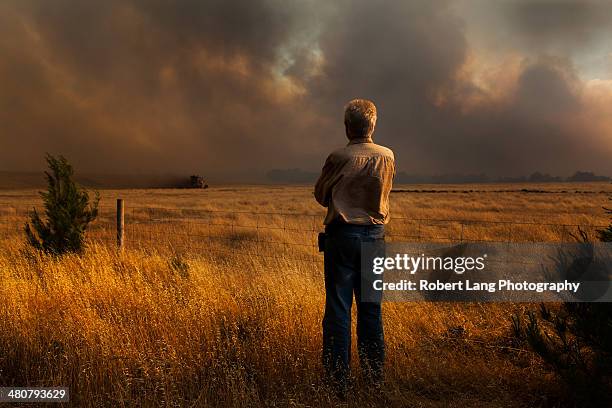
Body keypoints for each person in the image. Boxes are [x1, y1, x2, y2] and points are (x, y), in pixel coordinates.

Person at [314, 99, 395, 393]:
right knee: (371, 308)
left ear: (347, 126)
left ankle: (338, 381)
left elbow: (322, 195)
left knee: (338, 308)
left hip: (342, 236)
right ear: (373, 125)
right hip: (374, 237)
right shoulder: (387, 156)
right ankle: (374, 378)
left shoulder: (338, 157)